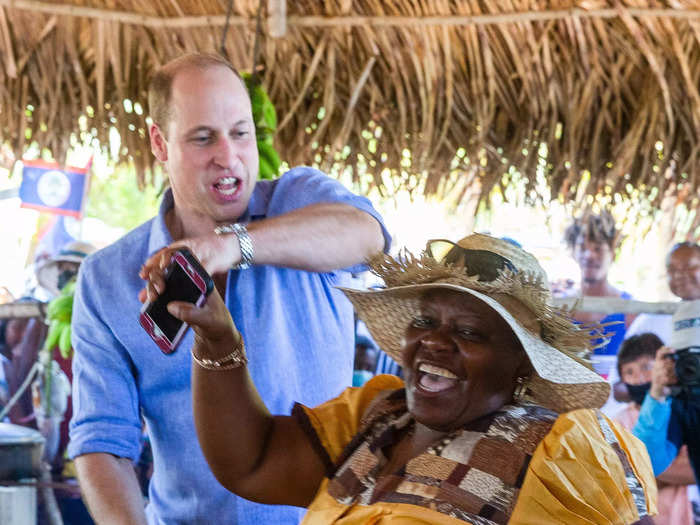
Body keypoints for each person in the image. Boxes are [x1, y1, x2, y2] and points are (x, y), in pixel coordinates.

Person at [68, 53, 389, 525]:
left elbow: (368, 235)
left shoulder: (297, 199)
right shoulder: (107, 277)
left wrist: (230, 246)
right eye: (203, 138)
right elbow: (102, 443)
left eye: (241, 133)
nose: (229, 155)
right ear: (160, 143)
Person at [168, 233, 657, 524]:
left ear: (521, 365)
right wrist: (217, 339)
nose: (436, 342)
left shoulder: (557, 453)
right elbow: (250, 464)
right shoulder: (378, 419)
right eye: (425, 321)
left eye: (469, 331)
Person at [614, 333, 695, 525]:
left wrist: (640, 469)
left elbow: (692, 470)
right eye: (629, 372)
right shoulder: (618, 421)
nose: (639, 378)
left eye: (646, 367)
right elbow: (619, 480)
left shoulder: (683, 411)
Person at [633, 300, 700, 486]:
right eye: (688, 358)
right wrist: (657, 395)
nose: (693, 368)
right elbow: (645, 462)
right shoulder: (676, 402)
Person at [564, 210, 634, 380]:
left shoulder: (631, 312)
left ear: (613, 254)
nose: (589, 255)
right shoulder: (559, 311)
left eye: (598, 248)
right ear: (573, 252)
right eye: (582, 247)